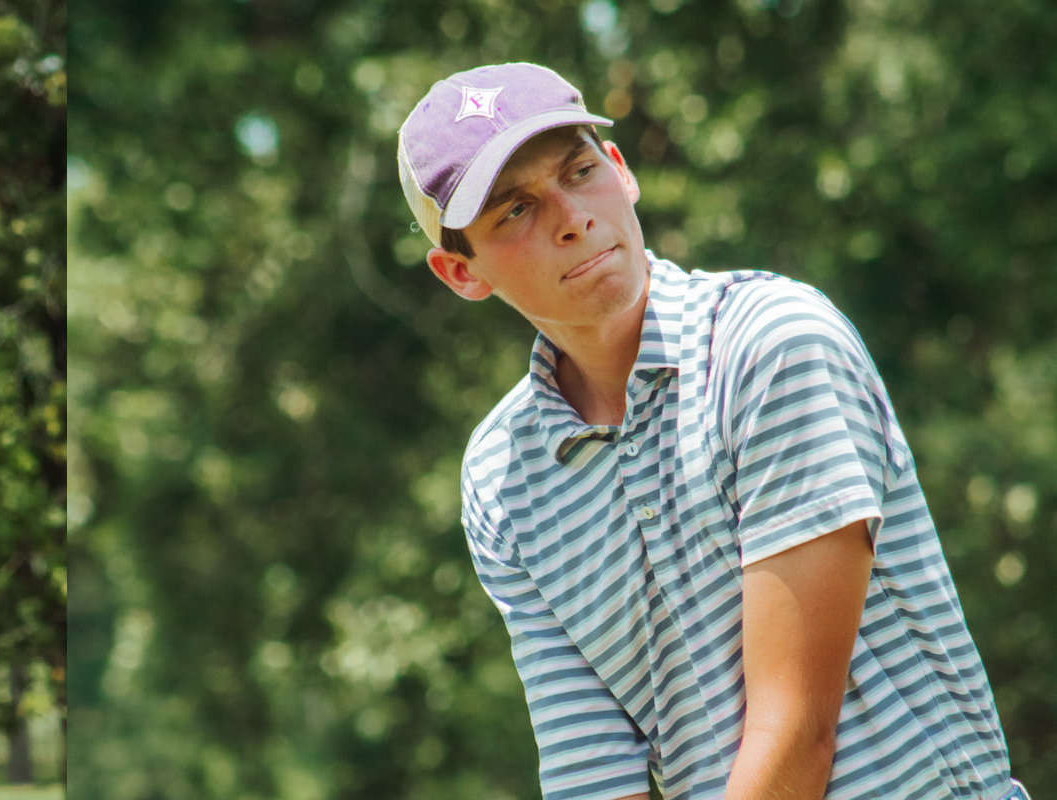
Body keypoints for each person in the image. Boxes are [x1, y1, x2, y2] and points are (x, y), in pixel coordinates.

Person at [402, 62, 1026, 800]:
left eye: (579, 170)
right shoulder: (502, 480)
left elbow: (795, 731)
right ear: (460, 273)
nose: (572, 217)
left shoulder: (769, 345)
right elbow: (592, 777)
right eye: (514, 211)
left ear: (622, 171)